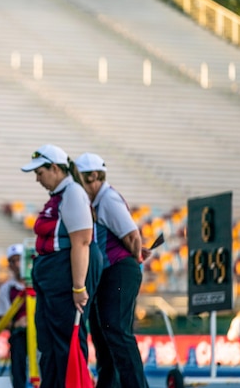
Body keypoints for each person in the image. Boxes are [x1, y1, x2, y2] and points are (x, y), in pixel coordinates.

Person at [20, 144, 102, 388]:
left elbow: (82, 241)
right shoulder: (59, 196)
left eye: (40, 172)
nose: (37, 178)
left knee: (66, 340)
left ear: (55, 169)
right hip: (51, 274)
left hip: (64, 273)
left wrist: (78, 287)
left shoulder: (73, 193)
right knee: (49, 341)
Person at [75, 152, 150, 388]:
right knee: (103, 334)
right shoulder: (98, 201)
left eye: (79, 179)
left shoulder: (107, 199)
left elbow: (131, 234)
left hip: (118, 271)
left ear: (94, 176)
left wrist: (135, 255)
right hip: (111, 271)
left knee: (116, 332)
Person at [0, 243, 28, 388]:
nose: (17, 264)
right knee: (18, 366)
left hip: (41, 334)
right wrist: (17, 324)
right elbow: (2, 319)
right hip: (19, 335)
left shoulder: (40, 284)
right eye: (13, 261)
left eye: (19, 259)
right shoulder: (6, 289)